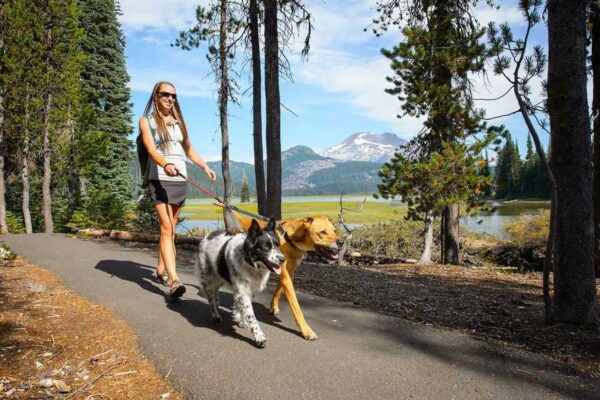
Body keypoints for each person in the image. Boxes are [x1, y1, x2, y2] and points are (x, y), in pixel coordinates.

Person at [139, 81, 216, 299]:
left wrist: (205, 166)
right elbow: (151, 150)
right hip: (160, 178)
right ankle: (174, 281)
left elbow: (189, 150)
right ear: (156, 96)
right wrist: (165, 164)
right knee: (166, 228)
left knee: (171, 228)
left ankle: (160, 269)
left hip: (179, 179)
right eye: (166, 94)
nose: (170, 98)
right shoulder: (147, 121)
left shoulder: (179, 122)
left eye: (173, 95)